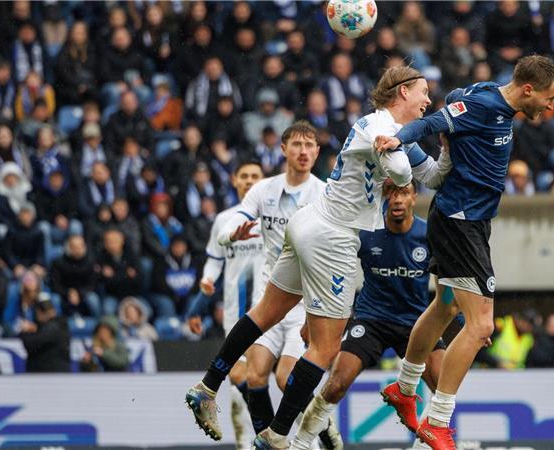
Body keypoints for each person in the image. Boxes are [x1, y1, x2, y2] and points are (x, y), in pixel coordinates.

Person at [186, 65, 453, 449]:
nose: (428, 100)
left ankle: (207, 387)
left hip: (310, 222)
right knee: (326, 348)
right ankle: (277, 435)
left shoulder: (396, 134)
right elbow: (398, 175)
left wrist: (445, 148)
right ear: (402, 92)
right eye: (423, 91)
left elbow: (431, 178)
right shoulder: (377, 125)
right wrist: (395, 149)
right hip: (333, 238)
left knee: (267, 312)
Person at [375, 55, 554, 449]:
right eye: (549, 98)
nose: (550, 106)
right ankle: (438, 420)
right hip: (461, 223)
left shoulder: (484, 96)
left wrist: (453, 134)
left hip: (466, 221)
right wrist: (400, 139)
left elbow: (457, 99)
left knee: (444, 309)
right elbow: (434, 121)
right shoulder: (484, 105)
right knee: (480, 328)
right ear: (528, 89)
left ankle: (405, 388)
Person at [291, 181, 459, 450]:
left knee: (444, 388)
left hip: (417, 324)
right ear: (383, 197)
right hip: (371, 321)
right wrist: (313, 316)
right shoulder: (366, 233)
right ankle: (300, 444)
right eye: (391, 193)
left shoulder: (429, 235)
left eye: (403, 193)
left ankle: (422, 445)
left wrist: (467, 323)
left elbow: (450, 285)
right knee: (336, 384)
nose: (397, 200)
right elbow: (331, 269)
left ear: (414, 197)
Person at [211, 122, 341, 448]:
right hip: (269, 298)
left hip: (304, 305)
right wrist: (231, 235)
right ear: (283, 149)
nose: (303, 151)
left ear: (317, 151)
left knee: (285, 379)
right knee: (254, 377)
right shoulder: (263, 190)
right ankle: (266, 441)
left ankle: (321, 427)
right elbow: (237, 216)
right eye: (296, 144)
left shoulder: (324, 194)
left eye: (310, 145)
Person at [186, 160, 265, 449]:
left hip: (274, 312)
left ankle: (309, 432)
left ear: (263, 180)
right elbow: (213, 263)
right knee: (241, 379)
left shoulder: (274, 217)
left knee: (280, 377)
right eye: (243, 175)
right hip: (236, 313)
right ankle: (258, 436)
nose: (249, 180)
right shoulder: (225, 220)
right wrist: (200, 300)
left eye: (254, 176)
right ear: (234, 181)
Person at [20, 293, 71, 373]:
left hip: (49, 376)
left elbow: (32, 344)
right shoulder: (60, 326)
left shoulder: (53, 328)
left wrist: (25, 332)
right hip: (53, 375)